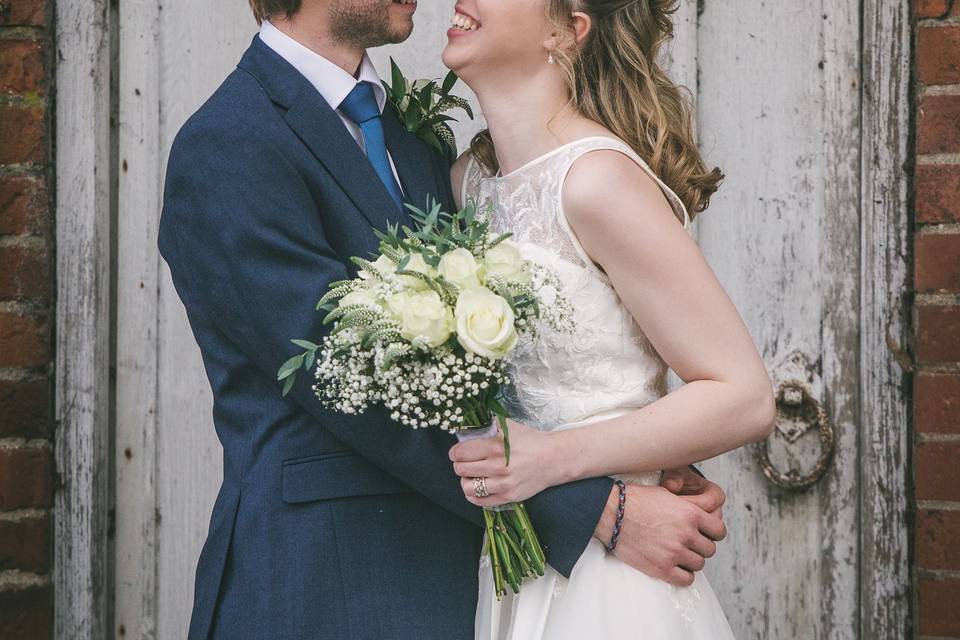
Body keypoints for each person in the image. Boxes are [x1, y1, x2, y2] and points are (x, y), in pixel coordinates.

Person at [158, 0, 729, 637]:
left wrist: (642, 458)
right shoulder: (228, 145)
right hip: (328, 582)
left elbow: (490, 368)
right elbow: (356, 386)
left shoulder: (413, 139)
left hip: (477, 580)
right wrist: (600, 505)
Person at [444, 0, 776, 637]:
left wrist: (552, 460)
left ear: (566, 31)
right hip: (516, 563)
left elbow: (743, 396)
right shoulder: (469, 183)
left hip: (608, 578)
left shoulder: (596, 181)